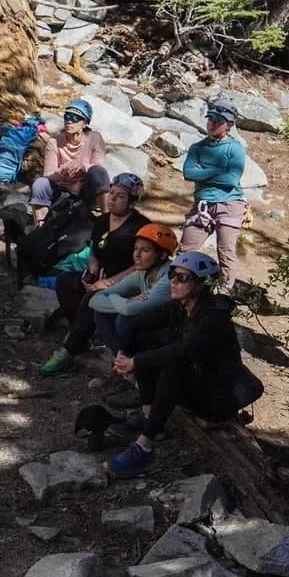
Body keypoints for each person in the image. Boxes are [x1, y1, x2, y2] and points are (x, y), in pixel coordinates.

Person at [102, 252, 264, 478]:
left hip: (221, 396)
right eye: (172, 276)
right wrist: (124, 352)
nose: (173, 282)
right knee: (145, 342)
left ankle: (144, 447)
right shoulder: (181, 307)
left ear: (202, 284)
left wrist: (135, 362)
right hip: (201, 382)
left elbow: (183, 351)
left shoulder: (213, 319)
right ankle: (148, 416)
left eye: (182, 278)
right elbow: (135, 324)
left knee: (173, 366)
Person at [40, 173, 151, 375]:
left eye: (120, 196)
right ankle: (82, 334)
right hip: (101, 275)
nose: (112, 199)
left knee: (93, 298)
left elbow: (141, 265)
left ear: (131, 202)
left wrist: (109, 282)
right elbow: (94, 252)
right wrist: (91, 272)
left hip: (128, 282)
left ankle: (68, 350)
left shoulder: (141, 227)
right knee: (65, 281)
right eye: (112, 193)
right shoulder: (102, 220)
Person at [179, 98, 249, 291]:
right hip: (202, 205)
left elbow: (232, 179)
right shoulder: (197, 147)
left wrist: (203, 171)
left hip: (230, 204)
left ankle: (224, 293)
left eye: (218, 121)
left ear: (229, 125)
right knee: (185, 249)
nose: (212, 124)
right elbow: (188, 173)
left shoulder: (235, 148)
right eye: (210, 119)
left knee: (225, 252)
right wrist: (218, 170)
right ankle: (180, 288)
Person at [88, 223, 179, 356]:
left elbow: (129, 309)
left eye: (145, 250)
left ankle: (131, 361)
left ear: (162, 255)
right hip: (148, 323)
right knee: (101, 313)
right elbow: (94, 300)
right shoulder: (141, 273)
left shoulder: (169, 276)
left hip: (173, 332)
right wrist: (125, 301)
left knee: (124, 320)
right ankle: (121, 359)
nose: (137, 254)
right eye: (136, 248)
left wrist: (120, 300)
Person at [30, 100, 109, 225]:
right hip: (61, 188)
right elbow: (48, 175)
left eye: (75, 118)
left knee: (99, 172)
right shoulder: (54, 142)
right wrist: (61, 172)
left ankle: (107, 217)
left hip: (85, 188)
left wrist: (82, 167)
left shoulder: (94, 138)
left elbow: (98, 166)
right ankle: (40, 227)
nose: (69, 121)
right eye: (67, 116)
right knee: (40, 184)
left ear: (85, 123)